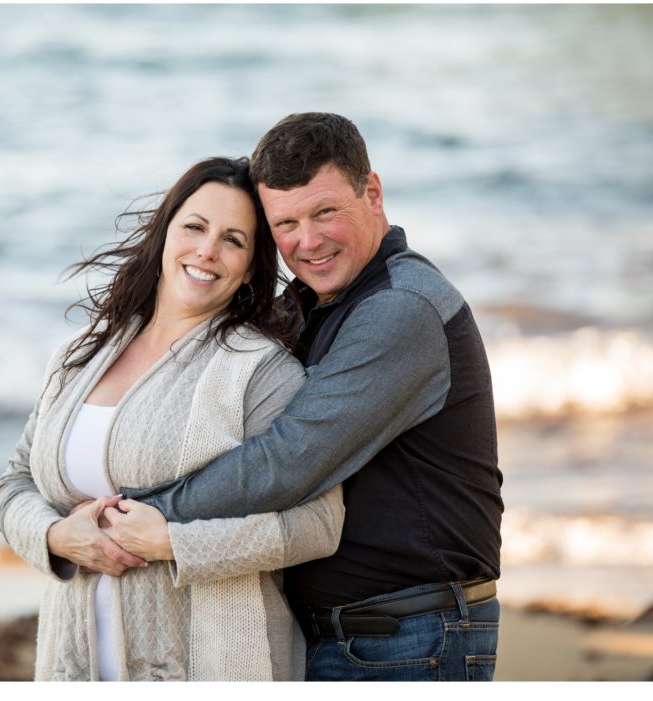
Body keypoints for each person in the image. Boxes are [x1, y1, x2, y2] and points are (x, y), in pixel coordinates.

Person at [122, 113, 504, 682]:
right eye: (285, 223)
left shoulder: (402, 309)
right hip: (347, 635)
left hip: (408, 638)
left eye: (325, 212)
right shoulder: (308, 305)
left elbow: (288, 459)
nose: (308, 241)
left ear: (372, 192)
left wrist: (145, 513)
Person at [0, 156, 344, 681]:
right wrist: (54, 538)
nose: (207, 250)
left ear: (250, 267)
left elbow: (319, 526)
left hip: (221, 663)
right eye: (195, 227)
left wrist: (174, 544)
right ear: (164, 234)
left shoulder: (260, 371)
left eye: (234, 240)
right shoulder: (82, 353)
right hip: (74, 665)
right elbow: (15, 482)